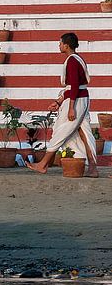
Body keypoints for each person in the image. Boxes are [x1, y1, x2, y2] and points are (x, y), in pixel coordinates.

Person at [26, 33, 98, 177]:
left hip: (77, 101)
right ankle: (93, 168)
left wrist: (71, 107)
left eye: (60, 43)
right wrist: (59, 102)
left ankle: (43, 164)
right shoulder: (76, 59)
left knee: (62, 131)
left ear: (66, 45)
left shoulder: (72, 60)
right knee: (84, 133)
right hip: (79, 98)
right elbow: (72, 88)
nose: (59, 45)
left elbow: (75, 86)